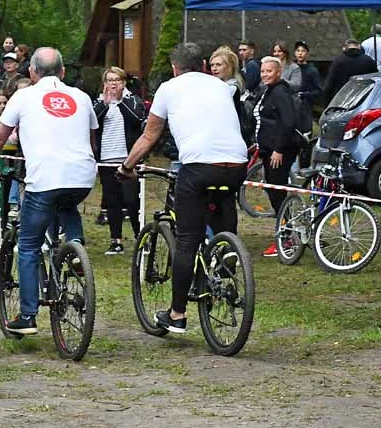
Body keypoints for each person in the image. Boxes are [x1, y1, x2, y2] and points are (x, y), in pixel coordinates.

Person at [118, 42, 247, 334]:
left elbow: (149, 137)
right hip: (236, 164)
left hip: (198, 166)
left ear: (175, 68)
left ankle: (177, 314)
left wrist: (126, 167)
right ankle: (227, 257)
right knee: (221, 206)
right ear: (203, 65)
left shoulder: (168, 88)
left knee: (187, 240)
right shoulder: (221, 86)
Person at [0, 47, 97, 336]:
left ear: (32, 72)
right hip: (81, 177)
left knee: (29, 245)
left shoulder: (23, 96)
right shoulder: (81, 97)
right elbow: (93, 140)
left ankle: (28, 315)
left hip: (45, 178)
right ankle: (75, 249)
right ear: (63, 72)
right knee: (67, 203)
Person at [94, 66, 145, 255]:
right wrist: (105, 104)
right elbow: (93, 123)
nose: (113, 83)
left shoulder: (132, 100)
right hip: (107, 158)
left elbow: (136, 119)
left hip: (128, 159)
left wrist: (120, 101)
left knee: (132, 201)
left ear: (123, 83)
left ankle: (141, 237)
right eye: (109, 80)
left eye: (117, 80)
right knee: (112, 200)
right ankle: (115, 240)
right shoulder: (100, 101)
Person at [254, 56, 300, 257]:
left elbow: (288, 122)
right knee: (273, 193)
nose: (265, 75)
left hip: (278, 152)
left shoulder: (280, 92)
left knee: (277, 194)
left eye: (269, 71)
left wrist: (278, 149)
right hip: (266, 149)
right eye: (263, 71)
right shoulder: (268, 91)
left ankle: (287, 237)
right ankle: (287, 233)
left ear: (278, 72)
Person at [293, 40, 322, 167]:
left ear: (307, 54)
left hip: (305, 108)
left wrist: (304, 94)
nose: (300, 54)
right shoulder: (293, 69)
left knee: (305, 139)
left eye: (303, 51)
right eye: (298, 51)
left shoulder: (311, 71)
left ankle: (305, 165)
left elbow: (319, 91)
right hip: (292, 108)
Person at [323, 39, 377, 104]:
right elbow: (376, 81)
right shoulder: (369, 61)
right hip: (364, 99)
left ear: (344, 48)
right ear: (359, 46)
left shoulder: (338, 62)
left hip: (343, 101)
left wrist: (327, 103)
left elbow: (329, 85)